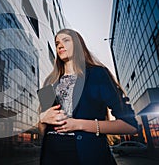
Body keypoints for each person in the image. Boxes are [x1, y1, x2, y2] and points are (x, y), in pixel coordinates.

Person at [38, 29, 138, 165]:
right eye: (57, 43)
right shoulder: (48, 83)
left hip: (88, 156)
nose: (60, 45)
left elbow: (130, 126)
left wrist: (79, 124)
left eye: (66, 40)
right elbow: (44, 132)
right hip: (51, 158)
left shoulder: (98, 75)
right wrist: (42, 119)